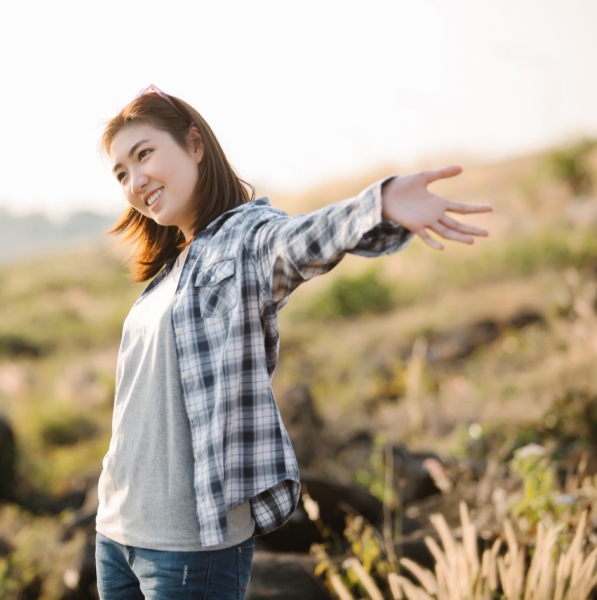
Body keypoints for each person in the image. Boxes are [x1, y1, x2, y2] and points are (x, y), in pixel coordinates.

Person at [94, 85, 491, 599]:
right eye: (121, 173)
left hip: (187, 547)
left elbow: (294, 241)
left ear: (194, 144)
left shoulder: (243, 238)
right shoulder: (169, 272)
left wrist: (379, 205)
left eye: (144, 154)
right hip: (117, 532)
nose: (135, 180)